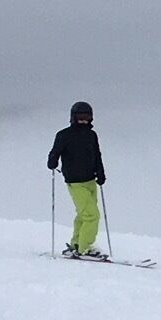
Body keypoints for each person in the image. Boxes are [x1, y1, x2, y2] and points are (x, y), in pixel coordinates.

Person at [47, 101, 107, 259]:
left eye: (86, 117)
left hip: (90, 180)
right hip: (75, 182)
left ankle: (76, 244)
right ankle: (85, 248)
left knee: (83, 214)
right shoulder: (64, 135)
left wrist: (101, 172)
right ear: (73, 117)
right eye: (80, 116)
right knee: (92, 215)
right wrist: (52, 161)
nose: (83, 120)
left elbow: (97, 155)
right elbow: (55, 152)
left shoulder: (91, 135)